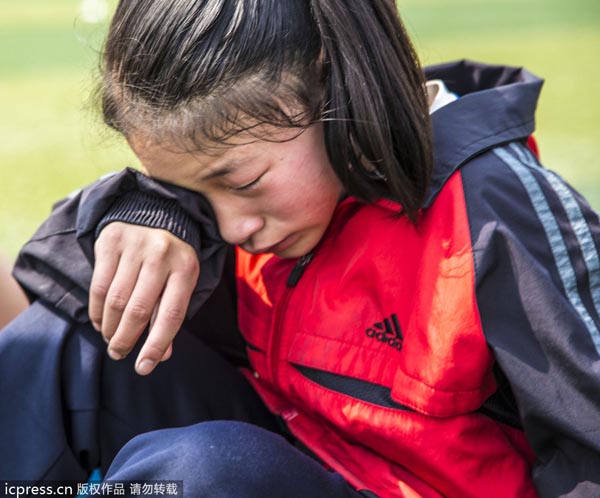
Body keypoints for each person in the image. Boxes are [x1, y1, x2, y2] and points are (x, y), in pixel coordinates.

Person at [1, 0, 599, 497]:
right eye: (187, 188)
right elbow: (54, 282)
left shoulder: (495, 211)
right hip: (305, 455)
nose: (232, 226)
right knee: (56, 346)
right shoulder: (230, 206)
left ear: (329, 85)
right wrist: (144, 206)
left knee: (206, 473)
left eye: (241, 182)